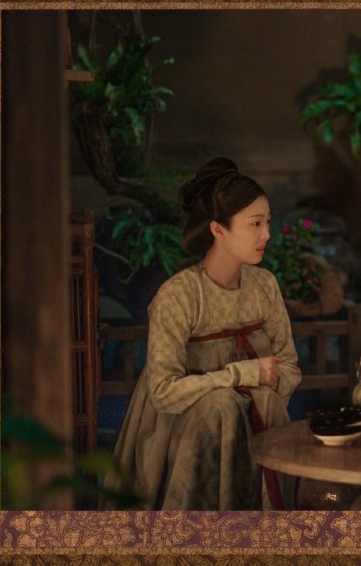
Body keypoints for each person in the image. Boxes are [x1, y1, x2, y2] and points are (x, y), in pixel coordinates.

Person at [105, 157, 302, 510]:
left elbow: (288, 365)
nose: (266, 234)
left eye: (268, 222)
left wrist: (263, 395)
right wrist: (240, 375)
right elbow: (163, 393)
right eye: (255, 224)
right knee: (219, 406)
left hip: (254, 424)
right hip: (183, 431)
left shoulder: (264, 286)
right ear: (218, 230)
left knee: (248, 403)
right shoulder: (178, 295)